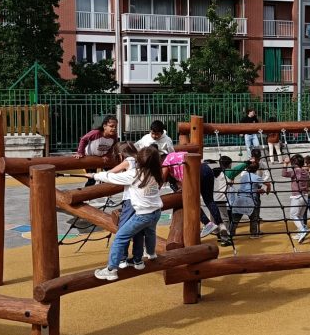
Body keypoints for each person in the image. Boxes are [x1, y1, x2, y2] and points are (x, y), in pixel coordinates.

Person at [92, 147, 164, 280]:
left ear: (139, 161)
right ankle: (151, 254)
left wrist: (94, 176)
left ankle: (111, 270)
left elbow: (111, 177)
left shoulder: (134, 174)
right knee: (150, 233)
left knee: (120, 237)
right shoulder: (156, 173)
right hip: (156, 213)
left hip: (142, 215)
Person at [162, 150, 229, 242]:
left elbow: (162, 178)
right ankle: (221, 225)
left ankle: (207, 223)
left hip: (195, 172)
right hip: (206, 168)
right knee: (209, 200)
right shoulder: (175, 156)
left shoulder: (165, 163)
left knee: (191, 201)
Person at [76, 114, 119, 186]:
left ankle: (103, 188)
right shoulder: (96, 133)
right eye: (111, 126)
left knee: (110, 175)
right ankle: (87, 192)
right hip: (90, 158)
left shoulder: (114, 136)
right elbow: (83, 139)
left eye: (115, 127)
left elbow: (113, 146)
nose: (114, 128)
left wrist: (107, 154)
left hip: (102, 157)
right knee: (91, 180)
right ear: (104, 126)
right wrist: (80, 152)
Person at [226, 161, 264, 241]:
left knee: (235, 219)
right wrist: (266, 190)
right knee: (254, 218)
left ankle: (230, 235)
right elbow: (265, 185)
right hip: (249, 200)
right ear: (256, 169)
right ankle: (254, 234)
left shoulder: (243, 176)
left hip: (239, 199)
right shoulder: (256, 177)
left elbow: (248, 187)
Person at [282, 154, 310, 242]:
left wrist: (285, 164)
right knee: (300, 216)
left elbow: (284, 174)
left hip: (297, 196)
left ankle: (302, 230)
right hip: (305, 196)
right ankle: (300, 233)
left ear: (294, 163)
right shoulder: (305, 172)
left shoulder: (295, 171)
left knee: (293, 215)